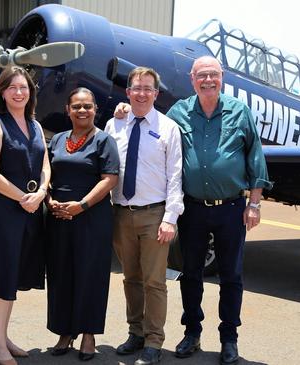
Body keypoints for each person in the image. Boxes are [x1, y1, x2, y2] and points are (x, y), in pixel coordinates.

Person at [115, 56, 271, 365]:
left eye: (213, 75)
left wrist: (254, 204)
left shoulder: (240, 112)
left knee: (231, 276)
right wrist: (125, 110)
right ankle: (192, 333)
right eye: (202, 75)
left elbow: (256, 158)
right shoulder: (180, 113)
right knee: (191, 275)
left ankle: (229, 339)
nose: (208, 80)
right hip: (194, 209)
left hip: (231, 208)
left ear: (221, 77)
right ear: (192, 79)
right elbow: (151, 124)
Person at [104, 67, 183, 365]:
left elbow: (175, 176)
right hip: (121, 214)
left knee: (154, 282)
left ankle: (154, 340)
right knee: (131, 279)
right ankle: (135, 332)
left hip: (154, 214)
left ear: (156, 94)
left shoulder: (168, 128)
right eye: (136, 87)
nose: (141, 93)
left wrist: (170, 218)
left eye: (148, 88)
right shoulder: (115, 125)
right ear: (127, 92)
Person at [0, 66, 50, 365]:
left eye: (25, 87)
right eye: (13, 87)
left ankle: (3, 337)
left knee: (15, 274)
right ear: (2, 92)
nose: (19, 92)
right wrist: (23, 198)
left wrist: (42, 191)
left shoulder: (36, 125)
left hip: (32, 208)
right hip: (6, 210)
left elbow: (45, 163)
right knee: (2, 275)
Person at [45, 87, 119, 361]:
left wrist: (81, 206)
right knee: (61, 274)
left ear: (95, 109)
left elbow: (109, 179)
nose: (82, 110)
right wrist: (49, 199)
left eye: (87, 106)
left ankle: (88, 334)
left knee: (90, 276)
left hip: (92, 217)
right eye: (76, 106)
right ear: (68, 110)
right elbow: (46, 174)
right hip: (59, 218)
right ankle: (65, 331)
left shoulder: (103, 141)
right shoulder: (59, 140)